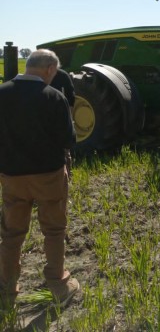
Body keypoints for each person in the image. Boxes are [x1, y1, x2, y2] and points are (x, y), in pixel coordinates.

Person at [0, 49, 79, 310]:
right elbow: (69, 140)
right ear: (48, 69)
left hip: (11, 176)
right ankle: (58, 284)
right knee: (54, 230)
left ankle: (7, 288)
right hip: (48, 176)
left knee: (12, 233)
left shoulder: (2, 93)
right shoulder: (54, 97)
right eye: (54, 72)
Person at [50, 68, 76, 178]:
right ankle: (66, 176)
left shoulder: (37, 75)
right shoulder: (63, 75)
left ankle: (65, 176)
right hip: (58, 116)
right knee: (64, 149)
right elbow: (71, 98)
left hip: (48, 116)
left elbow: (70, 98)